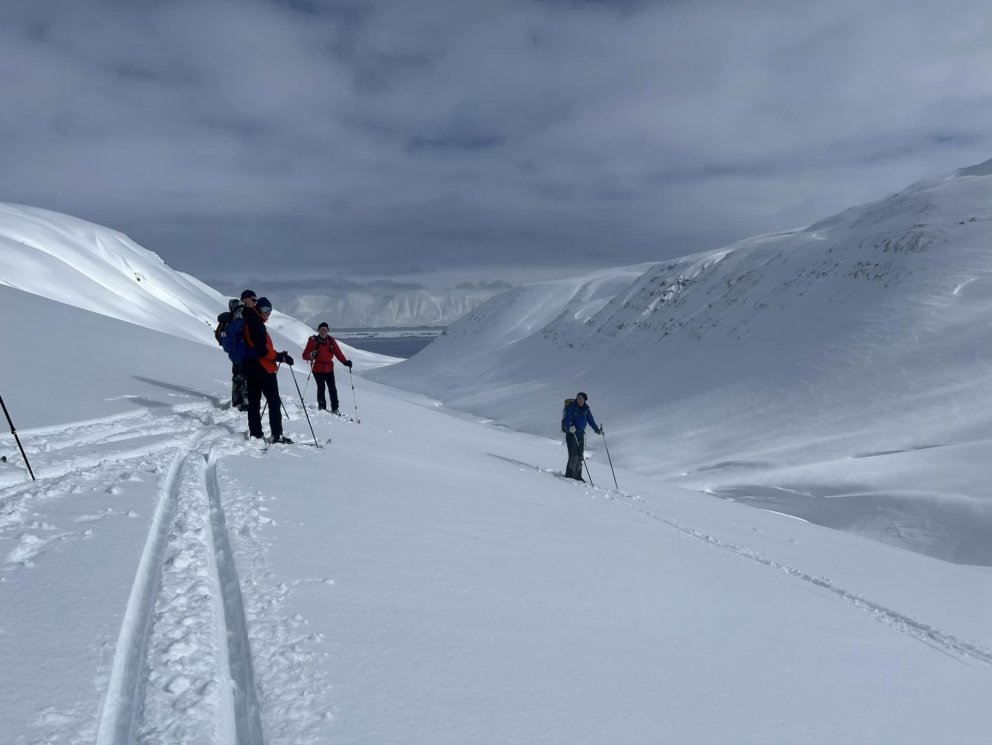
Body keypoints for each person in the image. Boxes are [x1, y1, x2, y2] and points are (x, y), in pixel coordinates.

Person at [242, 294, 295, 444]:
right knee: (273, 402)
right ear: (259, 308)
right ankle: (276, 435)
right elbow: (262, 351)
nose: (267, 314)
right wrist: (280, 357)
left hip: (250, 367)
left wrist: (277, 356)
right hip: (263, 368)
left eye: (269, 311)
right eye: (265, 310)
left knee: (254, 402)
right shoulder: (256, 323)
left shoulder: (247, 320)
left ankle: (256, 435)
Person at [213, 290, 255, 411]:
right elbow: (237, 331)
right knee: (244, 377)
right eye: (253, 299)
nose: (255, 302)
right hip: (242, 353)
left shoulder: (233, 315)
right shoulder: (240, 314)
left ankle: (238, 402)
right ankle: (244, 404)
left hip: (235, 354)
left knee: (238, 377)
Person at [302, 322, 352, 413]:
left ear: (328, 331)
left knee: (332, 388)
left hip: (328, 368)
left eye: (325, 330)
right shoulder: (313, 341)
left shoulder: (331, 341)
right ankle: (322, 407)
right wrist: (311, 355)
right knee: (321, 388)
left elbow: (338, 353)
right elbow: (305, 355)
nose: (323, 332)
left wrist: (345, 362)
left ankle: (335, 408)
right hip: (317, 368)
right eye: (321, 330)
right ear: (318, 331)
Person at [562, 391, 604, 481]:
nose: (579, 400)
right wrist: (569, 428)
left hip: (580, 434)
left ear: (584, 400)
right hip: (572, 434)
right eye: (578, 398)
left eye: (581, 398)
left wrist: (597, 430)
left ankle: (578, 476)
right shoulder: (572, 407)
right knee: (573, 455)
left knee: (580, 456)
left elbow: (591, 421)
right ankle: (570, 475)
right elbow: (566, 420)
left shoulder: (586, 409)